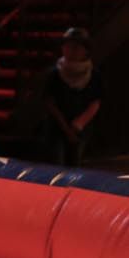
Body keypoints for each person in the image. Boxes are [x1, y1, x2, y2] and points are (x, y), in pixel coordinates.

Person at [42, 27, 102, 166]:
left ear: (85, 50)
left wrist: (78, 124)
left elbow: (95, 102)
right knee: (55, 165)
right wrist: (66, 128)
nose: (70, 51)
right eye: (67, 46)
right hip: (56, 127)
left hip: (81, 128)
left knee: (74, 165)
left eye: (76, 47)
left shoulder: (94, 75)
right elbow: (49, 101)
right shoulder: (55, 73)